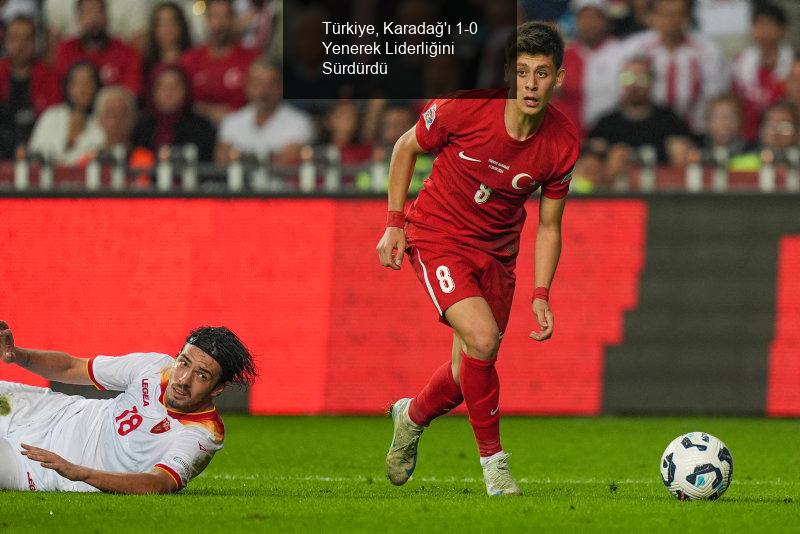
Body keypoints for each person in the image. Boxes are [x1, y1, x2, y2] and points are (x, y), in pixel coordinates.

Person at [376, 22, 580, 496]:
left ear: (559, 78)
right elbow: (404, 148)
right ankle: (495, 465)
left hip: (497, 254)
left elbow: (550, 225)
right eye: (523, 72)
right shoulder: (466, 108)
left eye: (542, 73)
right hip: (437, 235)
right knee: (484, 339)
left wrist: (541, 292)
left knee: (464, 369)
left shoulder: (563, 142)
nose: (531, 84)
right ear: (510, 74)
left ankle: (411, 417)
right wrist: (394, 222)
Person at [0, 321, 256, 493]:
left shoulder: (203, 433)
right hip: (44, 410)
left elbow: (159, 483)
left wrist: (77, 472)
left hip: (37, 468)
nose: (184, 379)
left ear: (218, 388)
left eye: (202, 375)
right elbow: (72, 367)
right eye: (183, 363)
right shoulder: (154, 367)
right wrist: (16, 355)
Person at [620, 0, 729, 133]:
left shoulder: (707, 51)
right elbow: (625, 88)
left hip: (694, 129)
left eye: (677, 14)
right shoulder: (635, 48)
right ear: (653, 17)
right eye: (664, 14)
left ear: (687, 17)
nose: (670, 21)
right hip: (649, 128)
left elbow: (715, 95)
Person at [587, 55, 692, 170]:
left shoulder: (670, 122)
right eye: (627, 77)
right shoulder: (605, 124)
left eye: (642, 79)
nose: (634, 85)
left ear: (652, 81)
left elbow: (686, 164)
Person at [215, 59, 313, 166]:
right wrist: (271, 157)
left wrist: (241, 157)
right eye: (257, 83)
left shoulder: (299, 122)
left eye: (270, 84)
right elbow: (222, 163)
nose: (263, 91)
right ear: (247, 86)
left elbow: (286, 164)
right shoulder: (231, 122)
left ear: (280, 87)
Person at [180, 0, 259, 126]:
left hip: (242, 128)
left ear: (233, 20)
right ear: (206, 19)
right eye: (214, 16)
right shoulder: (189, 60)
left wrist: (232, 113)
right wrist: (207, 111)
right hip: (197, 129)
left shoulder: (252, 58)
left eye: (224, 17)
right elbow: (181, 100)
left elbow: (260, 99)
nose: (219, 24)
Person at [551, 0, 623, 136]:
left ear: (605, 20)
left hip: (610, 131)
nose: (589, 24)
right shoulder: (564, 55)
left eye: (594, 17)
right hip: (571, 133)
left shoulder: (621, 53)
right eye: (583, 18)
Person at [732, 2, 794, 142]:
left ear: (783, 30)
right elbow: (736, 102)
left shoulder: (794, 65)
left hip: (786, 136)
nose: (764, 32)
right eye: (759, 25)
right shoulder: (740, 63)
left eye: (770, 25)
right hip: (748, 137)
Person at [53, 0, 143, 96]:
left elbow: (131, 92)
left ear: (106, 17)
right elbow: (60, 89)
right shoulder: (66, 49)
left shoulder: (126, 52)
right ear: (79, 18)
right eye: (87, 12)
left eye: (98, 12)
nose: (93, 19)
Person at [0, 16, 59, 159]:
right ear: (5, 41)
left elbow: (54, 119)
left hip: (41, 146)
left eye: (27, 39)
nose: (20, 45)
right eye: (14, 38)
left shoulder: (50, 76)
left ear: (35, 42)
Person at [28, 61, 104, 165]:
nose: (82, 88)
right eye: (77, 82)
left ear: (97, 86)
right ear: (67, 86)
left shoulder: (104, 120)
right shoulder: (52, 115)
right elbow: (35, 153)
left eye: (88, 82)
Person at [135, 65, 216, 162]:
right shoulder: (142, 128)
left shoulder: (201, 127)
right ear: (153, 91)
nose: (169, 91)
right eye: (162, 86)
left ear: (186, 90)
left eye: (175, 86)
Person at [142, 2, 193, 80]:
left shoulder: (194, 61)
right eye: (161, 23)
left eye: (172, 22)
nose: (167, 28)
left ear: (181, 26)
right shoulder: (144, 65)